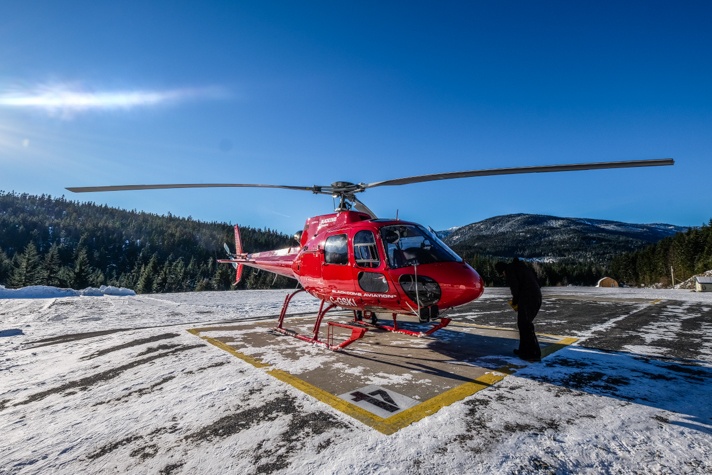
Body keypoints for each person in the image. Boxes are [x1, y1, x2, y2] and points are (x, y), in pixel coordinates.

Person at [495, 258, 542, 362]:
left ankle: (533, 353)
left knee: (525, 325)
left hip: (528, 298)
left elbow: (515, 288)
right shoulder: (521, 268)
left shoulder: (510, 270)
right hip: (535, 297)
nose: (503, 276)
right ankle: (524, 350)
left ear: (502, 270)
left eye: (502, 274)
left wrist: (515, 302)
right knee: (523, 324)